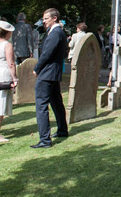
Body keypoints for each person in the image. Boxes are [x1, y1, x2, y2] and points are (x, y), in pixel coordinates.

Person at [31, 8, 68, 148]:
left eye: (46, 19)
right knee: (56, 102)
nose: (44, 21)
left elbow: (47, 53)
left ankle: (45, 140)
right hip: (53, 72)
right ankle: (62, 130)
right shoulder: (57, 32)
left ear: (54, 18)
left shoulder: (55, 33)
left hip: (47, 73)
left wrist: (37, 68)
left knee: (41, 104)